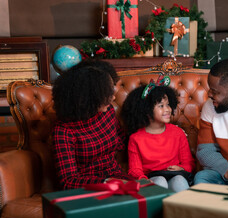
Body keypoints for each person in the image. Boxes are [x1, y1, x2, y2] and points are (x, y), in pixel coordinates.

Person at [52, 60, 131, 189]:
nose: (113, 98)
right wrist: (106, 183)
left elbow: (122, 141)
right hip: (87, 187)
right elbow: (68, 181)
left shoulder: (107, 111)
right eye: (106, 95)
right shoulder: (63, 130)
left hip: (117, 176)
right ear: (88, 97)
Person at [121, 76, 195, 192]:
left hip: (176, 176)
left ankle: (187, 209)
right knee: (160, 181)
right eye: (161, 106)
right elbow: (135, 169)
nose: (167, 109)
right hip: (152, 179)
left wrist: (181, 168)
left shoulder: (177, 132)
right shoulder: (136, 138)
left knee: (179, 180)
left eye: (168, 104)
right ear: (146, 110)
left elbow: (188, 163)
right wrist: (144, 179)